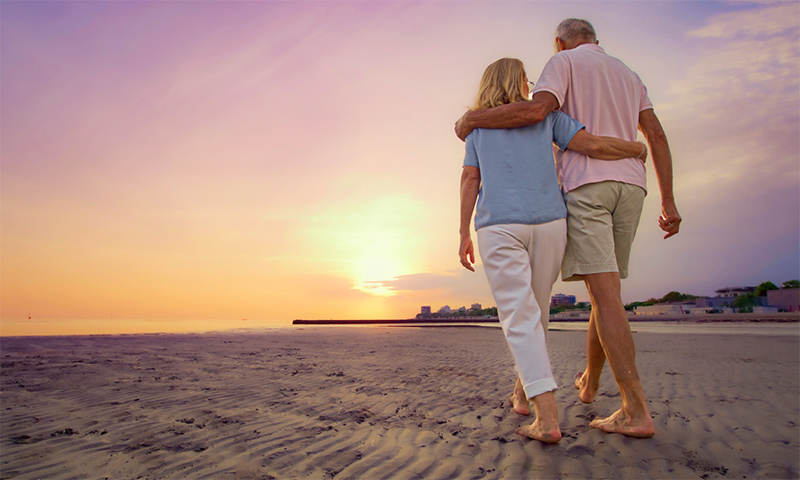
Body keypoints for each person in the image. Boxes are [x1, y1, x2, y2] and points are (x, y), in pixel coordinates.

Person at [455, 19, 681, 439]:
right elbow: (615, 140)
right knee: (550, 309)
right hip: (580, 211)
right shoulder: (593, 95)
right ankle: (545, 391)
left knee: (527, 316)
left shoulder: (484, 124)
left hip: (525, 216)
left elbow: (473, 177)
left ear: (560, 43)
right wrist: (639, 154)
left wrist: (463, 232)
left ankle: (562, 413)